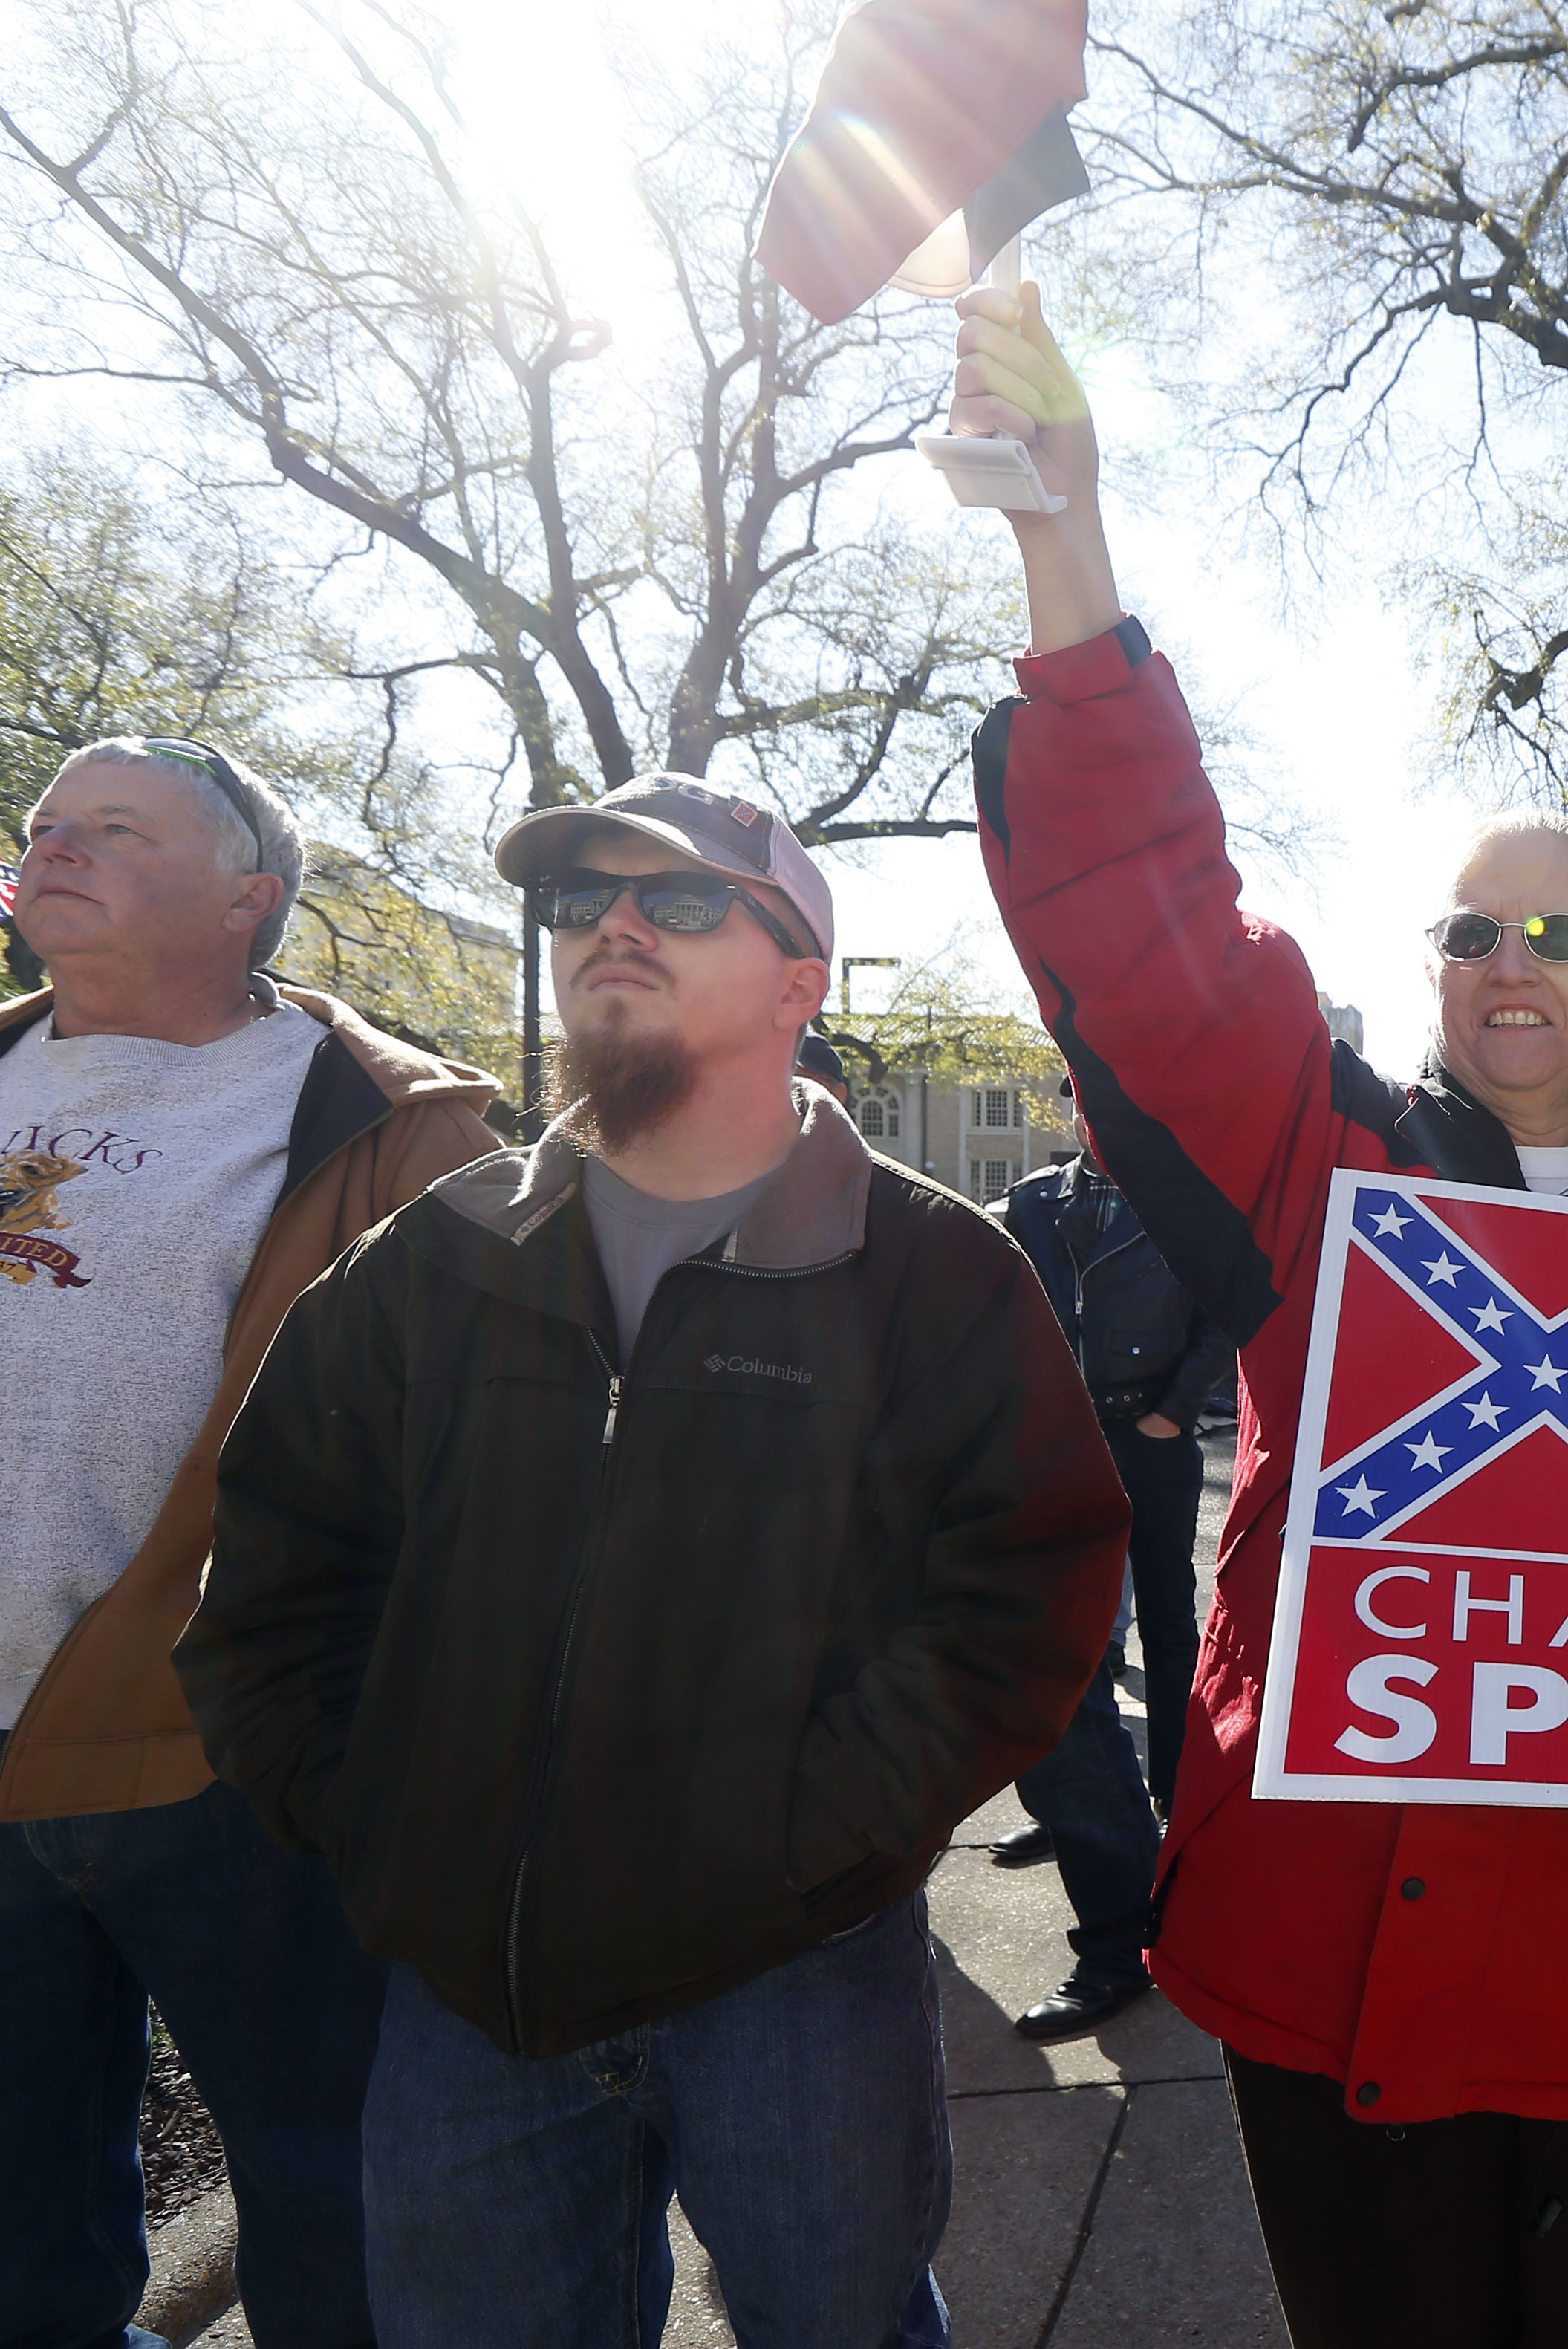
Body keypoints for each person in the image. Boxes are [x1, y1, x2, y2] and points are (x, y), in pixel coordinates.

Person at [954, 279, 1568, 2349]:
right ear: (1430, 969)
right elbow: (1151, 928)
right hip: (1334, 1947)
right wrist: (1066, 545)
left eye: (1560, 930)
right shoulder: (1318, 1165)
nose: (1510, 958)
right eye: (1469, 926)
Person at [180, 777, 1130, 2347]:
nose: (611, 926)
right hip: (472, 1988)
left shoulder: (934, 1267)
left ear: (800, 982)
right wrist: (378, 1819)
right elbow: (279, 1563)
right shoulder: (434, 1255)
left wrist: (807, 1838)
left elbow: (1021, 1598)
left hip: (793, 1965)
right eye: (579, 901)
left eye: (678, 901)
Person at [0, 736, 500, 2349]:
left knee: (341, 2211)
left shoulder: (395, 1131)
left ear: (249, 901)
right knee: (18, 2242)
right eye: (45, 823)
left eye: (115, 827)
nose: (55, 844)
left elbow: (477, 1477)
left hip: (233, 1770)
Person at [986, 1144, 1237, 2039]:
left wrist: (1172, 1412)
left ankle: (1170, 1793)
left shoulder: (1182, 1197)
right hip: (1058, 1439)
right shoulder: (1032, 1201)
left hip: (1149, 1432)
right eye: (1079, 1090)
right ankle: (1087, 1809)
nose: (1093, 1110)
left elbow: (1222, 1308)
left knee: (1168, 1618)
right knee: (1072, 1637)